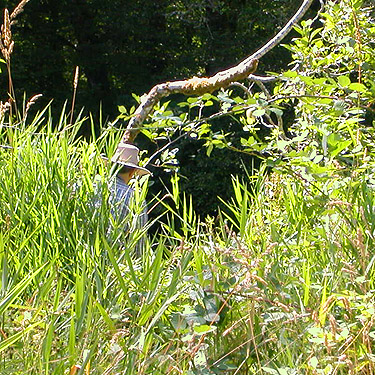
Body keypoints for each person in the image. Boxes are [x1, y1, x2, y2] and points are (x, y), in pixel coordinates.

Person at [105, 142, 151, 247]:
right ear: (133, 172)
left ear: (109, 166)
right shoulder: (134, 199)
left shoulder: (93, 188)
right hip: (116, 260)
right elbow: (138, 244)